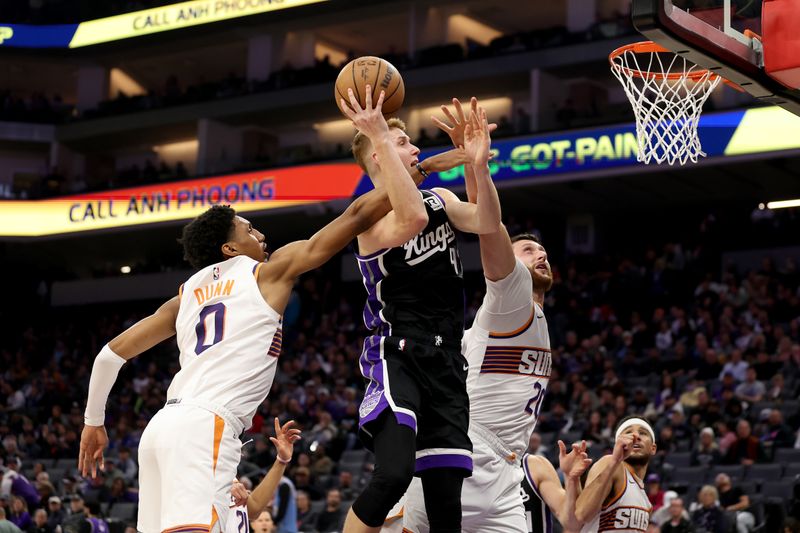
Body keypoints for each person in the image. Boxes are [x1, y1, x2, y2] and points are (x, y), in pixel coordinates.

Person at [79, 85, 440, 533]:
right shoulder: (263, 273)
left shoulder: (185, 294)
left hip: (159, 432)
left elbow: (109, 355)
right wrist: (414, 171)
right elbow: (351, 221)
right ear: (230, 247)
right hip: (205, 428)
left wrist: (94, 422)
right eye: (249, 230)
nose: (261, 236)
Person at [397, 98, 589, 533]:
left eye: (543, 251)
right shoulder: (513, 295)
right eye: (528, 251)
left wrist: (469, 162)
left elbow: (486, 221)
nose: (539, 255)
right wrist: (478, 166)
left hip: (507, 467)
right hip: (465, 451)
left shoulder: (530, 314)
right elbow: (490, 228)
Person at [342, 91, 502, 533]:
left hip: (448, 358)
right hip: (399, 354)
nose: (417, 149)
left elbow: (489, 223)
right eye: (403, 143)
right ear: (378, 154)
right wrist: (376, 128)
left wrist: (478, 166)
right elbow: (409, 218)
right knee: (392, 476)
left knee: (447, 505)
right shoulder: (368, 219)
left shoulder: (441, 200)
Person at [575, 416, 657, 533]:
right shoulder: (611, 464)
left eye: (643, 433)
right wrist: (614, 461)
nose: (636, 436)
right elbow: (582, 513)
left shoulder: (647, 504)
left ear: (653, 448)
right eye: (628, 432)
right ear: (618, 443)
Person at [227, 418, 301, 533]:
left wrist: (282, 460)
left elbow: (254, 509)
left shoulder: (230, 479)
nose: (240, 454)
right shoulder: (201, 475)